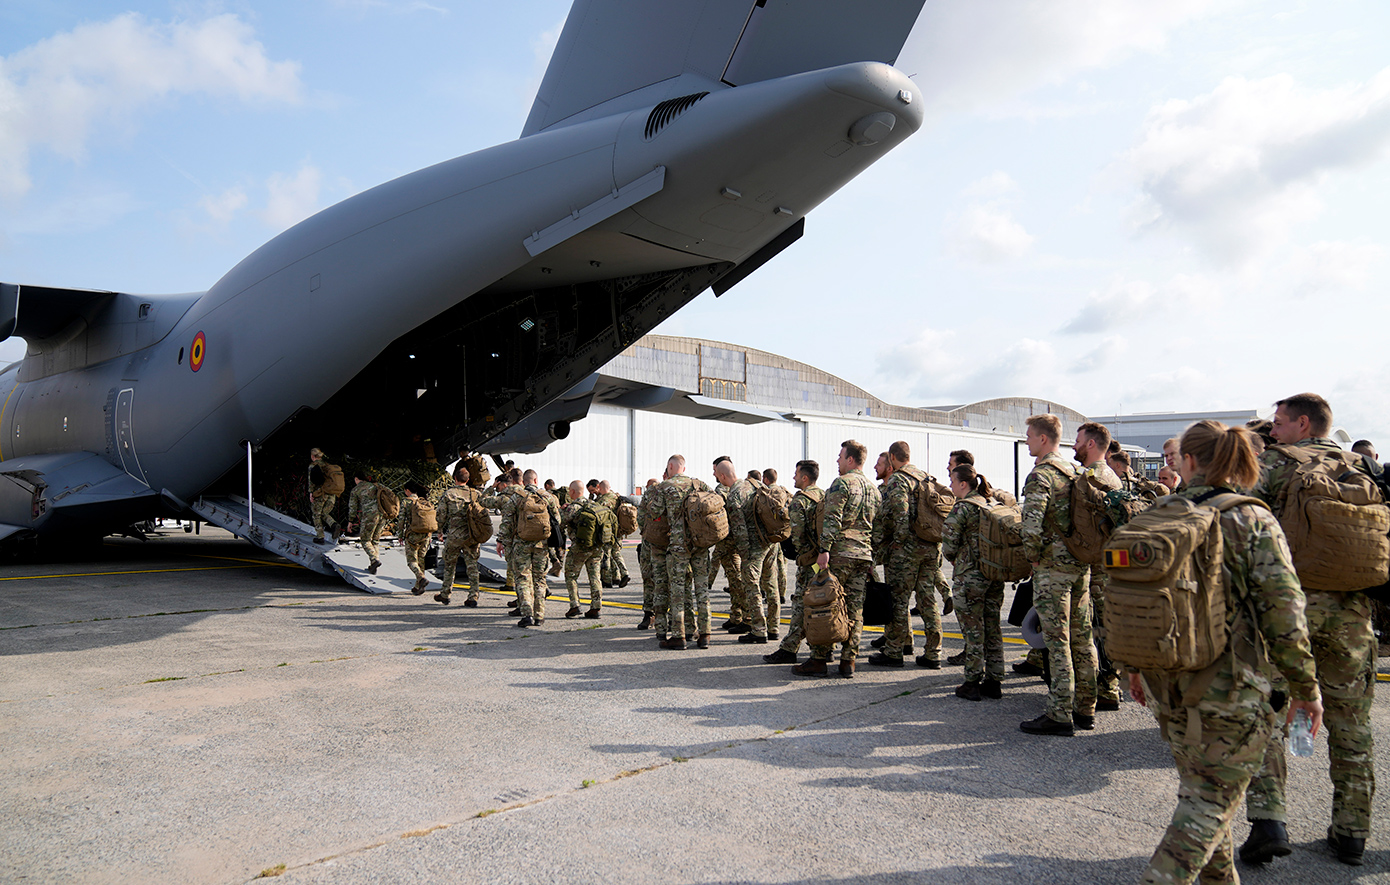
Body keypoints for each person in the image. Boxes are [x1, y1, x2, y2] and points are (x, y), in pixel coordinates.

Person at [1130, 419, 1322, 884]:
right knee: (1207, 806)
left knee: (1206, 797)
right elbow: (1284, 613)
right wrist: (1305, 687)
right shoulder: (1250, 518)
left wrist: (1133, 668)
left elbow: (1131, 598)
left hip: (1166, 682)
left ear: (1188, 461)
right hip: (1232, 689)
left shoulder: (1157, 514)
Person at [1239, 393, 1377, 867]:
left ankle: (1269, 821)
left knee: (1268, 712)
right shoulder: (1362, 466)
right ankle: (1352, 832)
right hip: (1353, 612)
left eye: (1278, 423)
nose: (1272, 431)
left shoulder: (1274, 464)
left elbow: (1244, 530)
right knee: (1351, 722)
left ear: (1303, 424)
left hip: (1287, 609)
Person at [1018, 413, 1096, 737]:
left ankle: (1060, 713)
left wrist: (1033, 559)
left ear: (1044, 439)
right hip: (1080, 564)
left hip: (1053, 569)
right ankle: (1086, 708)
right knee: (1082, 637)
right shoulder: (1075, 471)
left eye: (1030, 436)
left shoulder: (1042, 476)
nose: (1027, 441)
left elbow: (1031, 525)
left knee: (1057, 640)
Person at [793, 440, 881, 678]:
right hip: (862, 555)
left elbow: (832, 519)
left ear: (850, 459)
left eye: (840, 457)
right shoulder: (874, 489)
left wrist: (824, 550)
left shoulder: (842, 483)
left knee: (826, 603)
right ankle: (848, 661)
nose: (838, 461)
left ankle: (819, 658)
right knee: (855, 609)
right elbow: (878, 526)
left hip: (840, 553)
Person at [869, 440, 948, 669]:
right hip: (931, 546)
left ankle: (894, 651)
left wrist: (898, 542)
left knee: (898, 600)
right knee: (927, 599)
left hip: (907, 551)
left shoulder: (898, 479)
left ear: (892, 457)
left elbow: (900, 514)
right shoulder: (926, 477)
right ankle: (933, 653)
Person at [1072, 422, 1124, 714]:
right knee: (1105, 629)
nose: (1075, 445)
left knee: (1095, 632)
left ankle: (1100, 689)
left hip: (1095, 569)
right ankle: (1109, 687)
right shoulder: (1111, 477)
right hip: (1109, 566)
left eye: (1079, 440)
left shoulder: (1090, 478)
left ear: (1091, 444)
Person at [942, 463, 1005, 701]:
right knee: (992, 626)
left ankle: (971, 681)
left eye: (952, 480)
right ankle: (995, 680)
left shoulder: (963, 508)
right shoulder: (991, 503)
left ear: (963, 484)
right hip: (994, 575)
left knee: (973, 629)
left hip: (970, 578)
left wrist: (959, 559)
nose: (950, 485)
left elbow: (948, 544)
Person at [651, 455, 715, 649]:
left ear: (670, 466)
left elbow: (654, 512)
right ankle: (705, 635)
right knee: (702, 591)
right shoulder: (699, 484)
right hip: (701, 544)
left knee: (678, 591)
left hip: (678, 546)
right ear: (684, 468)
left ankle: (679, 637)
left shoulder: (665, 487)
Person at [765, 460, 824, 665]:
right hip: (822, 559)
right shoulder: (823, 495)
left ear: (805, 478)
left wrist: (797, 554)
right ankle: (826, 647)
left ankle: (789, 649)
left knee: (800, 604)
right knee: (823, 602)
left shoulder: (801, 500)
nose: (794, 478)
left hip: (808, 561)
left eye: (796, 474)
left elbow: (797, 535)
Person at [719, 459, 775, 644]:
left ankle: (759, 630)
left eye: (716, 474)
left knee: (752, 587)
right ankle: (773, 628)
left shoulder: (734, 496)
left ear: (722, 476)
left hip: (753, 547)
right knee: (770, 584)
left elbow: (740, 530)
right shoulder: (755, 483)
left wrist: (744, 555)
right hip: (770, 542)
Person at [498, 469, 562, 627]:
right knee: (540, 579)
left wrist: (502, 541)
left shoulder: (517, 497)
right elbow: (557, 520)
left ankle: (527, 614)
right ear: (536, 480)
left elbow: (506, 521)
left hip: (521, 544)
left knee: (522, 578)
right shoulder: (548, 497)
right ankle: (539, 616)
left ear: (523, 482)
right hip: (542, 544)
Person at [434, 465, 484, 607]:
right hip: (471, 535)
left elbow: (441, 514)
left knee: (449, 565)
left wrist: (439, 531)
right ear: (467, 480)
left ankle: (445, 594)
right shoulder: (475, 494)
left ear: (455, 479)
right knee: (472, 566)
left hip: (454, 535)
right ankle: (473, 596)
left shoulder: (448, 494)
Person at [710, 455, 747, 632]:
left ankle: (745, 617)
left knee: (737, 581)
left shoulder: (724, 490)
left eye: (715, 470)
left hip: (731, 544)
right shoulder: (745, 487)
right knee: (734, 582)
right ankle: (737, 615)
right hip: (734, 544)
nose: (714, 474)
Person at [560, 480, 603, 618]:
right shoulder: (594, 505)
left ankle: (575, 605)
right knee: (595, 576)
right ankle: (596, 607)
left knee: (571, 575)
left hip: (580, 547)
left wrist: (563, 509)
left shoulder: (573, 507)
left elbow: (560, 521)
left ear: (572, 492)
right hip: (596, 547)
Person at [396, 482, 435, 594]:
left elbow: (401, 520)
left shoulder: (406, 501)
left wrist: (399, 535)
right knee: (421, 560)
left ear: (408, 490)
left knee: (412, 561)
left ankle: (420, 578)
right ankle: (418, 587)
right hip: (426, 535)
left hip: (412, 535)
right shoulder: (425, 501)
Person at [346, 471, 385, 574]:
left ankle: (374, 559)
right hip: (382, 515)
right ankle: (373, 567)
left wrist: (350, 521)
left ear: (356, 479)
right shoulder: (376, 485)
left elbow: (353, 508)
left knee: (365, 540)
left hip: (370, 516)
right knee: (375, 540)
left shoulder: (356, 490)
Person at [594, 481, 631, 588]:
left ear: (600, 488)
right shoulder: (616, 496)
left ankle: (607, 580)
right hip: (618, 531)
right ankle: (624, 573)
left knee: (606, 555)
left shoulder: (603, 500)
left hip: (607, 532)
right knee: (616, 553)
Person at [635, 477, 660, 629]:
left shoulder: (649, 495)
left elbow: (640, 519)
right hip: (664, 543)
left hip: (649, 543)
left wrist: (647, 532)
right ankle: (661, 616)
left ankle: (649, 614)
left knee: (648, 579)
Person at [763, 468, 789, 605]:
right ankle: (783, 593)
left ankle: (771, 594)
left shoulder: (766, 493)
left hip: (771, 535)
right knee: (782, 565)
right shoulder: (783, 491)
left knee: (770, 567)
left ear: (766, 479)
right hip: (784, 534)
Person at [307, 447, 344, 544]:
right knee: (324, 513)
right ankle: (334, 524)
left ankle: (320, 537)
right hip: (331, 494)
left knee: (316, 515)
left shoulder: (313, 466)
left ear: (312, 456)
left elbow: (311, 481)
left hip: (320, 494)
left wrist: (311, 493)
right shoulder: (327, 465)